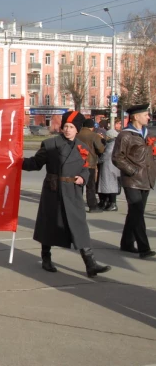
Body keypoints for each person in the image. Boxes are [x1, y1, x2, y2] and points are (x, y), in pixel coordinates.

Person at [22, 111, 111, 277]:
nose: (68, 130)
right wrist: (17, 160)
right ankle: (46, 258)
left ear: (77, 129)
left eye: (71, 127)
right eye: (65, 126)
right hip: (53, 190)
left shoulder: (82, 147)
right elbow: (34, 163)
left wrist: (82, 178)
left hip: (73, 192)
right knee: (49, 225)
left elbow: (86, 168)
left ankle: (90, 264)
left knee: (80, 226)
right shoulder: (50, 144)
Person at [112, 104, 156, 259]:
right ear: (136, 117)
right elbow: (117, 158)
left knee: (135, 213)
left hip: (147, 179)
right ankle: (144, 249)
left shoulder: (147, 133)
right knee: (137, 214)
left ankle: (126, 243)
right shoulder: (125, 135)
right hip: (132, 180)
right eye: (146, 115)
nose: (148, 117)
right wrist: (133, 171)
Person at [76, 118, 105, 213]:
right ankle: (92, 206)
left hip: (77, 163)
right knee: (90, 186)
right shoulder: (94, 136)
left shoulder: (77, 135)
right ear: (92, 127)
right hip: (90, 163)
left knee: (78, 185)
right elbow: (101, 149)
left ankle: (77, 205)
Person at [97, 129, 121, 212]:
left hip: (109, 167)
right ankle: (111, 203)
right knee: (111, 186)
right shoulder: (113, 143)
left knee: (111, 186)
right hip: (112, 167)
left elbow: (106, 155)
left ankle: (113, 204)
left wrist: (99, 160)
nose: (105, 137)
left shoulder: (111, 144)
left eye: (106, 135)